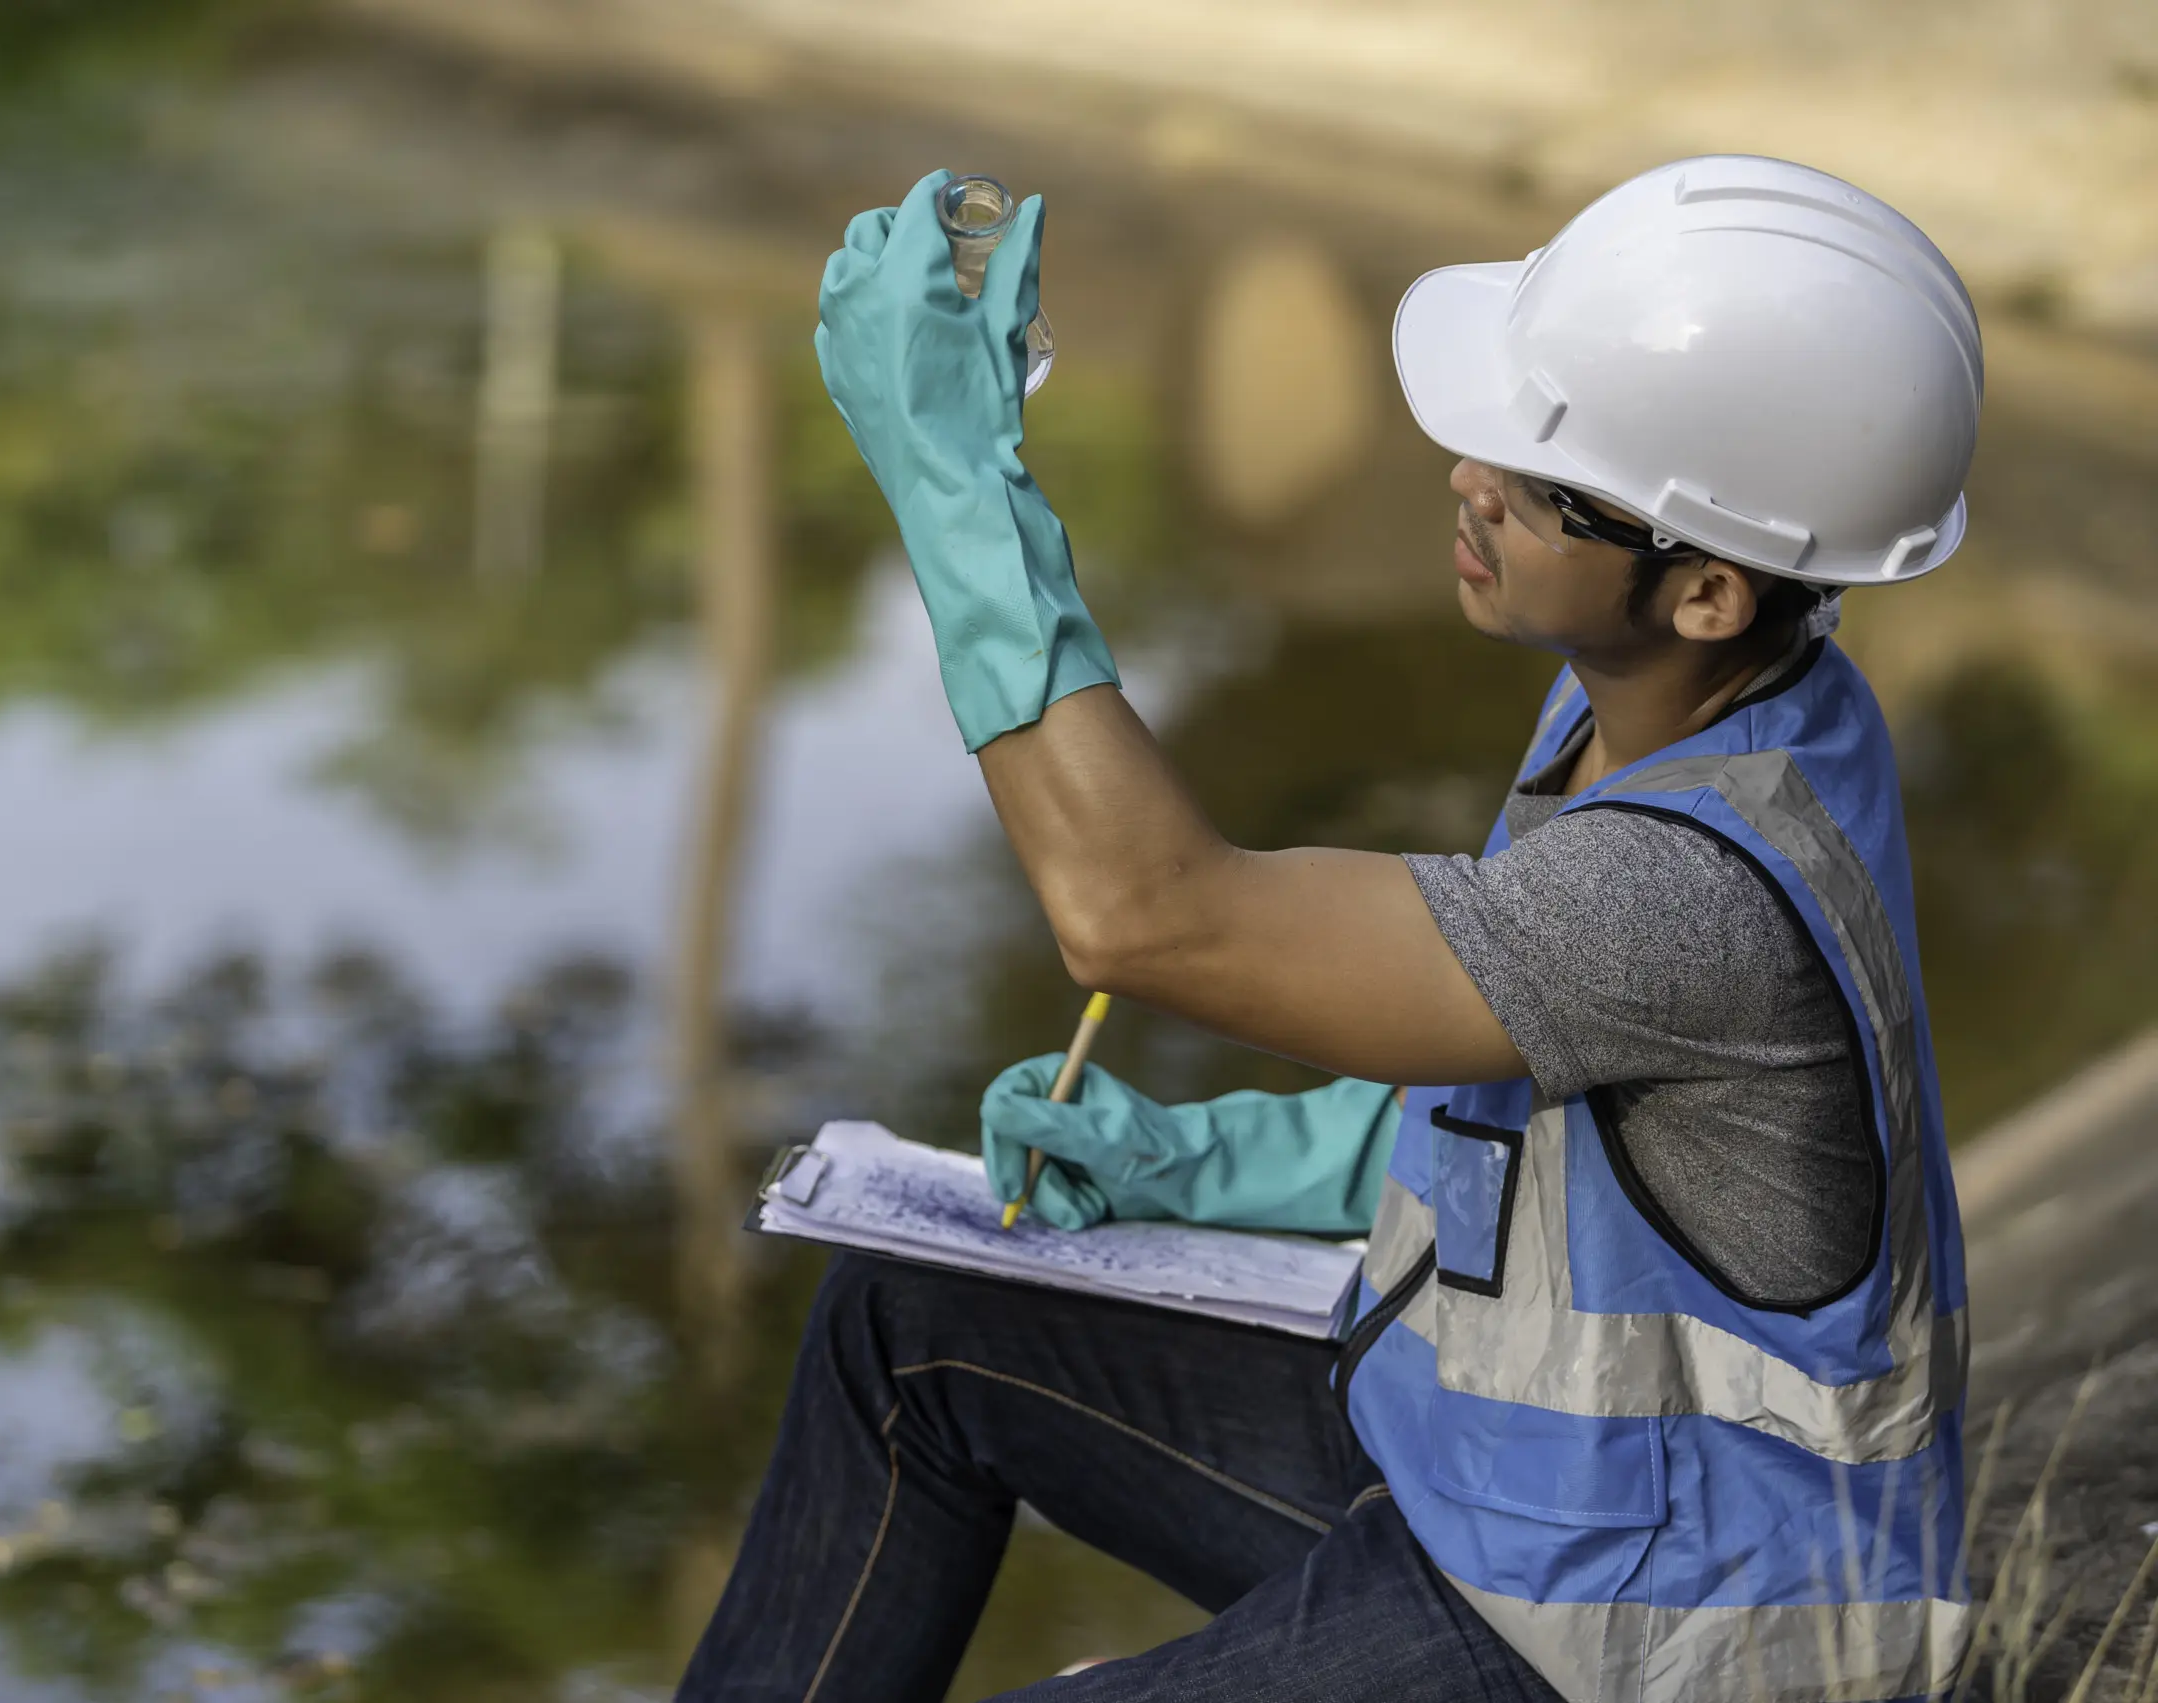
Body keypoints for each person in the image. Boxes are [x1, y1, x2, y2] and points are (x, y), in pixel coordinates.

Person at [676, 157, 1978, 1703]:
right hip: (1489, 1494)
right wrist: (1201, 1160)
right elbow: (1530, 1122)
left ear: (1705, 590)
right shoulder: (1684, 710)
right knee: (907, 1322)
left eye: (1538, 475)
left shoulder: (1684, 893)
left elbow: (1150, 913)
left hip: (1646, 1637)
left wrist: (952, 475)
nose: (1467, 480)